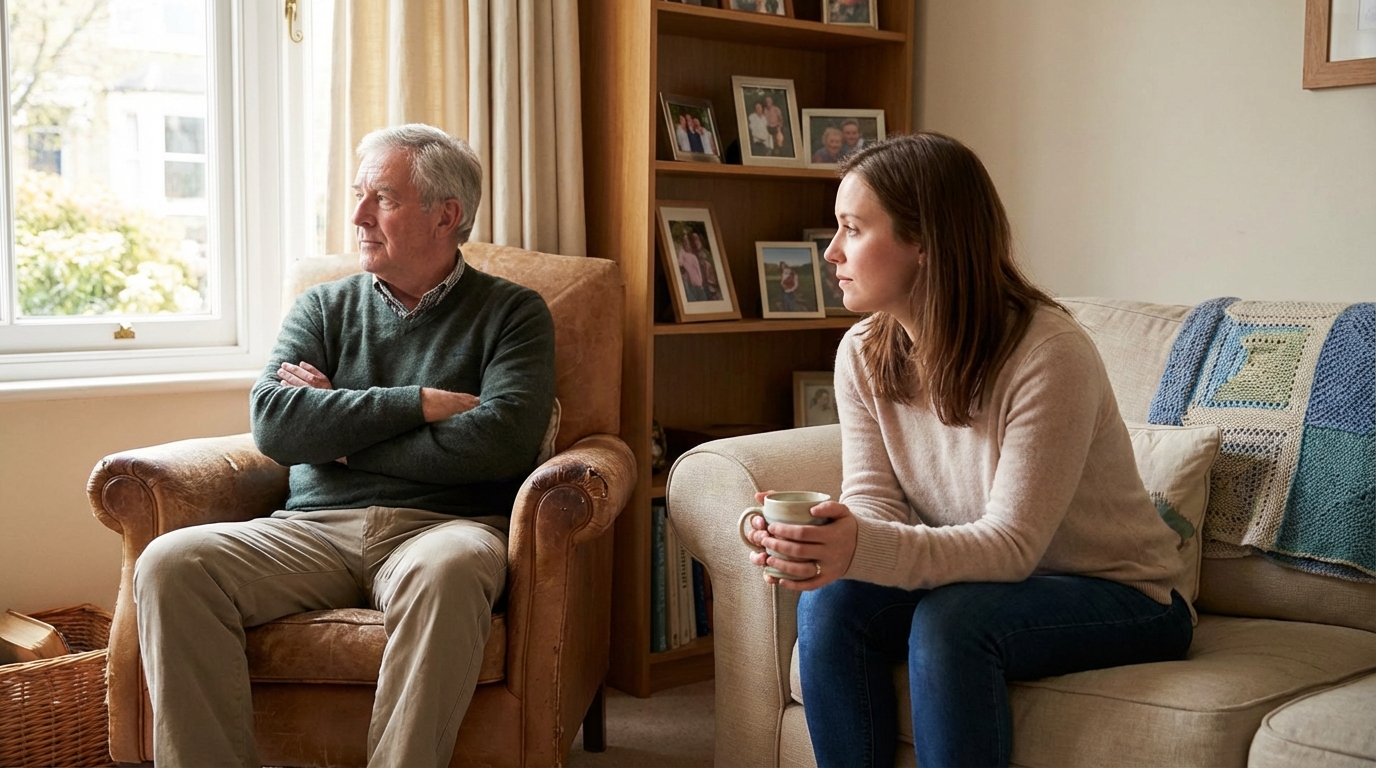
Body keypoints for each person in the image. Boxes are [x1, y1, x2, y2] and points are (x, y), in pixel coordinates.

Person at [744, 133, 1193, 768]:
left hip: (1123, 595)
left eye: (852, 228)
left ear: (924, 242)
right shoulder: (864, 352)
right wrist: (829, 542)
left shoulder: (1049, 353)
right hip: (988, 581)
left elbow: (1012, 547)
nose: (832, 251)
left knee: (953, 622)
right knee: (832, 600)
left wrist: (859, 547)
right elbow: (876, 503)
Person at [133, 124, 557, 768]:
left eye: (381, 198)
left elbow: (501, 443)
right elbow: (277, 427)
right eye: (359, 194)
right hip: (312, 529)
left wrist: (342, 438)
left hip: (444, 526)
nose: (357, 215)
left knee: (452, 568)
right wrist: (417, 403)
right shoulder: (322, 308)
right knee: (171, 563)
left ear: (447, 215)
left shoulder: (514, 314)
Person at [678, 233, 708, 301]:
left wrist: (700, 282)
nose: (686, 244)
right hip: (690, 282)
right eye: (685, 242)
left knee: (702, 298)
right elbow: (680, 263)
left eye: (688, 243)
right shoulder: (682, 253)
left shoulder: (694, 257)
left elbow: (698, 270)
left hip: (697, 282)